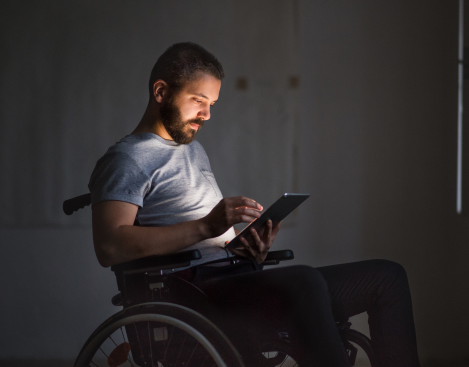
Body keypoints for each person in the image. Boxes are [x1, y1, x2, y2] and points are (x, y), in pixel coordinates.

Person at [89, 42, 420, 366]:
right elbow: (110, 247)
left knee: (387, 277)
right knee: (303, 281)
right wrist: (206, 226)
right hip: (198, 296)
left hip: (231, 279)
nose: (206, 114)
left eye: (212, 104)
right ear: (160, 92)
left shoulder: (192, 150)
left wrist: (245, 251)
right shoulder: (127, 158)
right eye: (198, 100)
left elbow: (209, 240)